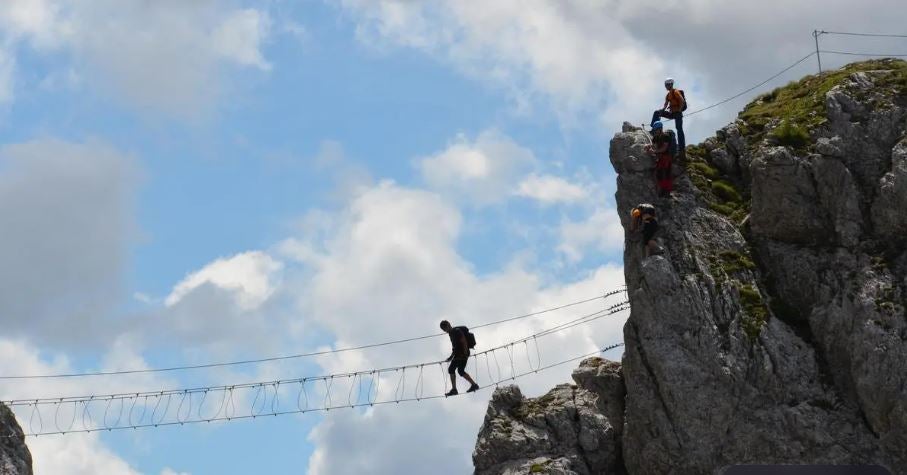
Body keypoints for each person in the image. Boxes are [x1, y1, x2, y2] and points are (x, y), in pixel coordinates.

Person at [440, 320, 479, 396]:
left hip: (461, 354)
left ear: (448, 325)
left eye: (445, 328)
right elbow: (455, 347)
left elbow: (463, 341)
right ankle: (474, 385)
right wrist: (451, 357)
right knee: (460, 371)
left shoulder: (456, 331)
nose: (445, 331)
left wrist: (464, 353)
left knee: (451, 369)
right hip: (460, 354)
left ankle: (454, 389)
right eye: (444, 330)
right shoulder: (451, 334)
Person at [650, 77, 686, 157]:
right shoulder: (668, 95)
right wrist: (662, 111)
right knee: (657, 112)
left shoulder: (675, 92)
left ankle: (682, 148)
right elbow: (666, 104)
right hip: (672, 113)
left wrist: (679, 110)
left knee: (679, 129)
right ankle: (653, 129)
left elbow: (682, 101)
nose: (666, 86)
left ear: (671, 84)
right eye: (665, 85)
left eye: (667, 85)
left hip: (677, 113)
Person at [645, 121, 675, 196]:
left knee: (666, 174)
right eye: (655, 130)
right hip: (661, 158)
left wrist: (654, 151)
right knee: (659, 174)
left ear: (660, 129)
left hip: (666, 158)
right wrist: (648, 146)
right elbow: (653, 145)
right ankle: (662, 191)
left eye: (656, 130)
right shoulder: (656, 137)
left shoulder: (666, 136)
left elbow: (664, 148)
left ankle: (667, 192)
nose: (655, 132)